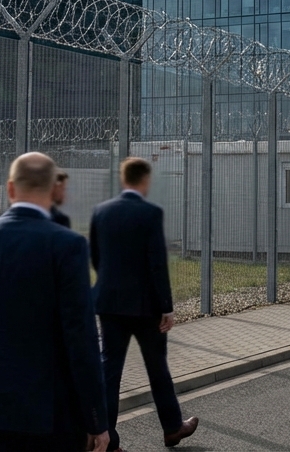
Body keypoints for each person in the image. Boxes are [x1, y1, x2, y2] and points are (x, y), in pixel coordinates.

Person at [0, 152, 109, 452]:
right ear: (53, 190)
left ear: (10, 189)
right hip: (50, 407)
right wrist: (96, 419)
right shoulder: (68, 245)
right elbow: (81, 339)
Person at [91, 158, 198, 451]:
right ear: (144, 181)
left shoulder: (101, 212)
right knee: (156, 367)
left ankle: (107, 438)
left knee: (109, 370)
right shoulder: (150, 213)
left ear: (123, 179)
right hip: (146, 307)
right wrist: (166, 305)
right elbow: (157, 263)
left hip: (110, 304)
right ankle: (172, 428)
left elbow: (96, 257)